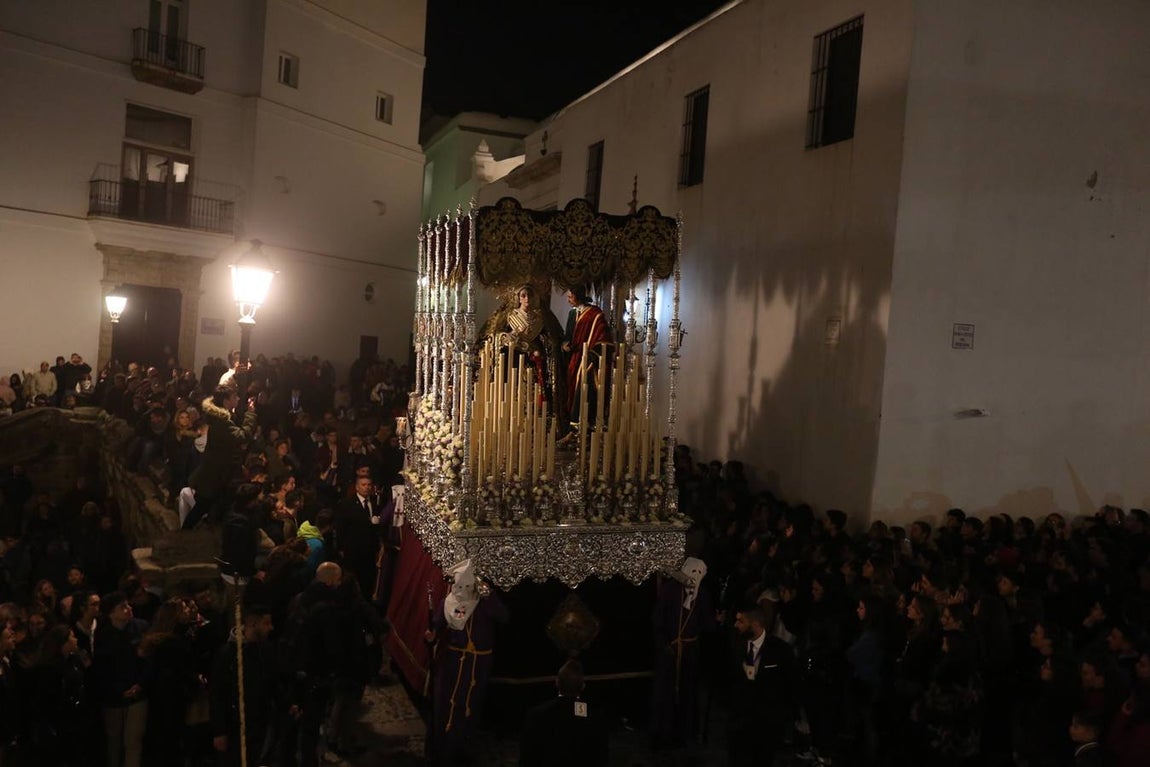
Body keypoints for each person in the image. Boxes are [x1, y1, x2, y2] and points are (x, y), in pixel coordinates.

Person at [426, 559, 509, 766]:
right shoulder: (450, 601)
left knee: (470, 706)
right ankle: (442, 750)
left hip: (477, 664)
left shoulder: (484, 601)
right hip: (453, 662)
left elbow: (503, 617)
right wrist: (431, 635)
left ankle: (462, 748)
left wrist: (488, 596)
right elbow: (438, 624)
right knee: (447, 705)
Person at [651, 557, 714, 749]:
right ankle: (663, 734)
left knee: (688, 692)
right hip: (669, 651)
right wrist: (664, 645)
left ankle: (684, 733)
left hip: (690, 653)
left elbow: (705, 623)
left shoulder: (702, 596)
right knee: (666, 692)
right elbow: (658, 620)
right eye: (693, 572)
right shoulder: (670, 591)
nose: (695, 577)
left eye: (699, 573)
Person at [482, 283, 567, 420]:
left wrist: (545, 344)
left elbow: (550, 337)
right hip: (514, 359)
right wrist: (509, 336)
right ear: (519, 298)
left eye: (530, 295)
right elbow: (495, 335)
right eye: (523, 295)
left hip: (534, 360)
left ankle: (535, 412)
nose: (527, 298)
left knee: (536, 386)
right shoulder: (509, 316)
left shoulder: (540, 318)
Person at [728, 605, 798, 767]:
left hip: (766, 724)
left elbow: (791, 685)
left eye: (741, 621)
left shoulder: (780, 650)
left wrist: (783, 718)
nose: (736, 625)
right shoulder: (735, 645)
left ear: (755, 624)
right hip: (739, 723)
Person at [184, 384, 258, 529]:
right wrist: (250, 414)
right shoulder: (221, 422)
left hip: (218, 472)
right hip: (216, 474)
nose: (238, 399)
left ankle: (203, 530)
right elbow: (243, 436)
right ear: (225, 401)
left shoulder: (220, 417)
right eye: (234, 397)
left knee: (211, 506)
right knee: (203, 505)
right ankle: (185, 532)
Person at [519, 658, 609, 766]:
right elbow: (601, 759)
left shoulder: (536, 715)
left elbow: (527, 758)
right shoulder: (595, 718)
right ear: (583, 686)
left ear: (557, 683)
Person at [562, 286, 611, 432]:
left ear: (579, 295)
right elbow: (568, 335)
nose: (568, 300)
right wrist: (565, 345)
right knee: (570, 386)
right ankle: (571, 425)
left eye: (570, 297)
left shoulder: (595, 314)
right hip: (574, 357)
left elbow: (603, 337)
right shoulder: (572, 314)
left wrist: (592, 354)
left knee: (585, 388)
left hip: (588, 359)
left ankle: (583, 426)